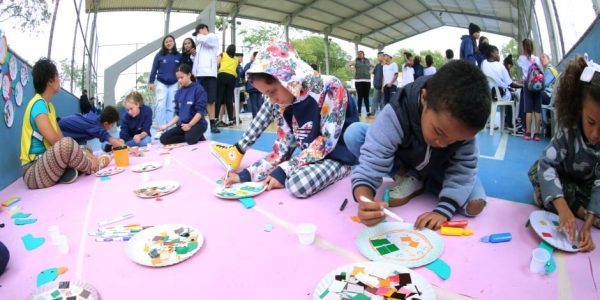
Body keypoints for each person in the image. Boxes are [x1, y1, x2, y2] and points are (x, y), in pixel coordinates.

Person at [344, 60, 491, 230]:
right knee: (355, 134)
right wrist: (365, 200)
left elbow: (464, 167)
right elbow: (372, 160)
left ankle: (423, 182)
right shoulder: (398, 110)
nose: (443, 144)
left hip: (440, 168)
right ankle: (411, 176)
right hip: (404, 161)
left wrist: (443, 211)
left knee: (475, 205)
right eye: (439, 132)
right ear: (424, 97)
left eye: (455, 140)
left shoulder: (462, 126)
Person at [215, 40, 358, 198]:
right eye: (267, 95)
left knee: (298, 185)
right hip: (312, 158)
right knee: (292, 177)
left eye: (272, 92)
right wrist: (245, 176)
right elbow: (282, 150)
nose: (273, 100)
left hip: (337, 156)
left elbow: (327, 142)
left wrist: (285, 170)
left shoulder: (330, 87)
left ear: (288, 79)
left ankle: (348, 168)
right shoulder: (285, 101)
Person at [528, 56, 600, 252]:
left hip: (586, 185)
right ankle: (577, 208)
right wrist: (562, 208)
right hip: (561, 177)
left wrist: (587, 227)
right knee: (537, 172)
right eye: (591, 122)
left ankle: (582, 211)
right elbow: (546, 165)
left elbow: (599, 184)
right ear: (579, 110)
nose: (595, 135)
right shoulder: (568, 129)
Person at [20, 58, 110, 189]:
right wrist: (84, 156)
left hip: (48, 164)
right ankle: (93, 166)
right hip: (33, 172)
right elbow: (56, 142)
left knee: (85, 147)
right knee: (68, 145)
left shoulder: (49, 107)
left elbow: (60, 138)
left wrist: (83, 152)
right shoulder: (38, 104)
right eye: (57, 76)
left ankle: (67, 172)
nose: (59, 80)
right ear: (50, 80)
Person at [158, 63, 208, 145]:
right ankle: (194, 135)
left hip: (197, 124)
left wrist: (189, 125)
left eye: (182, 77)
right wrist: (166, 126)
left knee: (190, 139)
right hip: (183, 125)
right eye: (178, 78)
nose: (179, 80)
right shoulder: (178, 93)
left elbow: (200, 112)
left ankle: (195, 134)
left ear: (189, 75)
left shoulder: (199, 89)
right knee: (163, 139)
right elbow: (178, 114)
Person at [192, 23, 220, 133]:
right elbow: (195, 60)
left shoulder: (212, 37)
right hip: (199, 75)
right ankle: (199, 122)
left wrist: (199, 35)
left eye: (199, 31)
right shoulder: (199, 46)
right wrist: (193, 54)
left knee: (211, 100)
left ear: (204, 29)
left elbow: (202, 39)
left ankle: (213, 123)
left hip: (210, 74)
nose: (198, 35)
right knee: (199, 100)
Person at [58, 106, 124, 151]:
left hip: (73, 136)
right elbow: (110, 139)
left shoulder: (95, 119)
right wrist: (128, 148)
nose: (112, 127)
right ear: (106, 124)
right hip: (59, 131)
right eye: (112, 125)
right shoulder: (95, 126)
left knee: (88, 150)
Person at [149, 35, 181, 127]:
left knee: (171, 106)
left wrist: (180, 81)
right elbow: (154, 68)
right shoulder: (159, 55)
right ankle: (161, 127)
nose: (168, 43)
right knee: (160, 106)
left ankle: (167, 127)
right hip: (161, 83)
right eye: (166, 42)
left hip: (174, 84)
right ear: (164, 43)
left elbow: (181, 70)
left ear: (174, 42)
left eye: (170, 41)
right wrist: (151, 82)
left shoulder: (178, 56)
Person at [518, 38, 543, 141]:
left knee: (528, 110)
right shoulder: (536, 59)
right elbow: (540, 71)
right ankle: (536, 134)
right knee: (537, 111)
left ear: (523, 47)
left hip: (528, 86)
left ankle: (528, 133)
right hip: (537, 86)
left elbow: (524, 73)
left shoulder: (521, 58)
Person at [215, 44, 238, 127]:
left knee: (219, 97)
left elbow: (216, 63)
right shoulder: (236, 59)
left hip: (222, 76)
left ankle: (215, 118)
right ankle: (231, 120)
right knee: (229, 99)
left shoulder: (222, 54)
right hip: (232, 78)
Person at [348, 50, 372, 117]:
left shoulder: (368, 60)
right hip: (358, 81)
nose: (359, 55)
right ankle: (359, 112)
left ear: (364, 54)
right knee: (360, 97)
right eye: (358, 54)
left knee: (366, 96)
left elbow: (374, 66)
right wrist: (354, 70)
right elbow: (348, 65)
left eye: (361, 54)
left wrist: (370, 71)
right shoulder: (356, 60)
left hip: (367, 80)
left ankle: (368, 112)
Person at [243, 51, 264, 118]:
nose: (250, 57)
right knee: (259, 102)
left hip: (251, 86)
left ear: (254, 57)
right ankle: (260, 117)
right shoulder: (261, 65)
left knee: (253, 103)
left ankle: (255, 117)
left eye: (251, 56)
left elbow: (243, 73)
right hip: (260, 86)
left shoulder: (249, 65)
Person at [371, 51, 385, 117]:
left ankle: (383, 114)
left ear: (383, 56)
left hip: (383, 87)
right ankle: (372, 113)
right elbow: (373, 73)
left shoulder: (386, 65)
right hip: (376, 86)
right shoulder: (377, 65)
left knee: (382, 101)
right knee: (374, 100)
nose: (378, 57)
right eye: (377, 56)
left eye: (379, 56)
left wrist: (383, 86)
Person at [234, 53, 246, 120]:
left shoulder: (241, 67)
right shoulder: (234, 66)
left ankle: (237, 115)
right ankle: (234, 116)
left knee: (242, 101)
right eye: (239, 57)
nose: (241, 58)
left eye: (241, 57)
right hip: (235, 86)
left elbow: (243, 77)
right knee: (235, 102)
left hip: (241, 87)